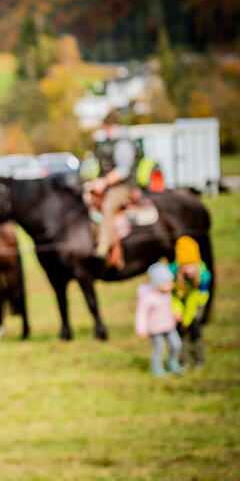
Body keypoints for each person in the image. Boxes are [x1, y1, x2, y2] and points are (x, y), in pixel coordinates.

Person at [88, 109, 137, 260]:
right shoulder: (108, 143)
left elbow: (123, 170)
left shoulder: (122, 143)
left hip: (123, 186)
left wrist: (104, 182)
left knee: (108, 207)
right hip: (109, 185)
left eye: (106, 127)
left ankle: (104, 245)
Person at [170, 236, 211, 369]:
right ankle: (183, 361)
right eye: (185, 267)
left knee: (195, 330)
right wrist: (176, 311)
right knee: (180, 333)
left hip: (197, 305)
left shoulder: (204, 277)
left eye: (191, 266)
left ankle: (199, 359)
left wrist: (186, 320)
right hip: (181, 305)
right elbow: (173, 295)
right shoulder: (173, 272)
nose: (188, 270)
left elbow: (194, 300)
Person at [135, 262, 182, 376]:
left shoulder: (167, 293)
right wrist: (141, 329)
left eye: (170, 282)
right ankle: (156, 368)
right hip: (155, 329)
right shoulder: (148, 297)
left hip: (169, 325)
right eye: (166, 284)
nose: (169, 286)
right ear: (156, 283)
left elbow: (172, 304)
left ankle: (172, 362)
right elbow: (141, 314)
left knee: (176, 344)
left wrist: (176, 313)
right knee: (159, 349)